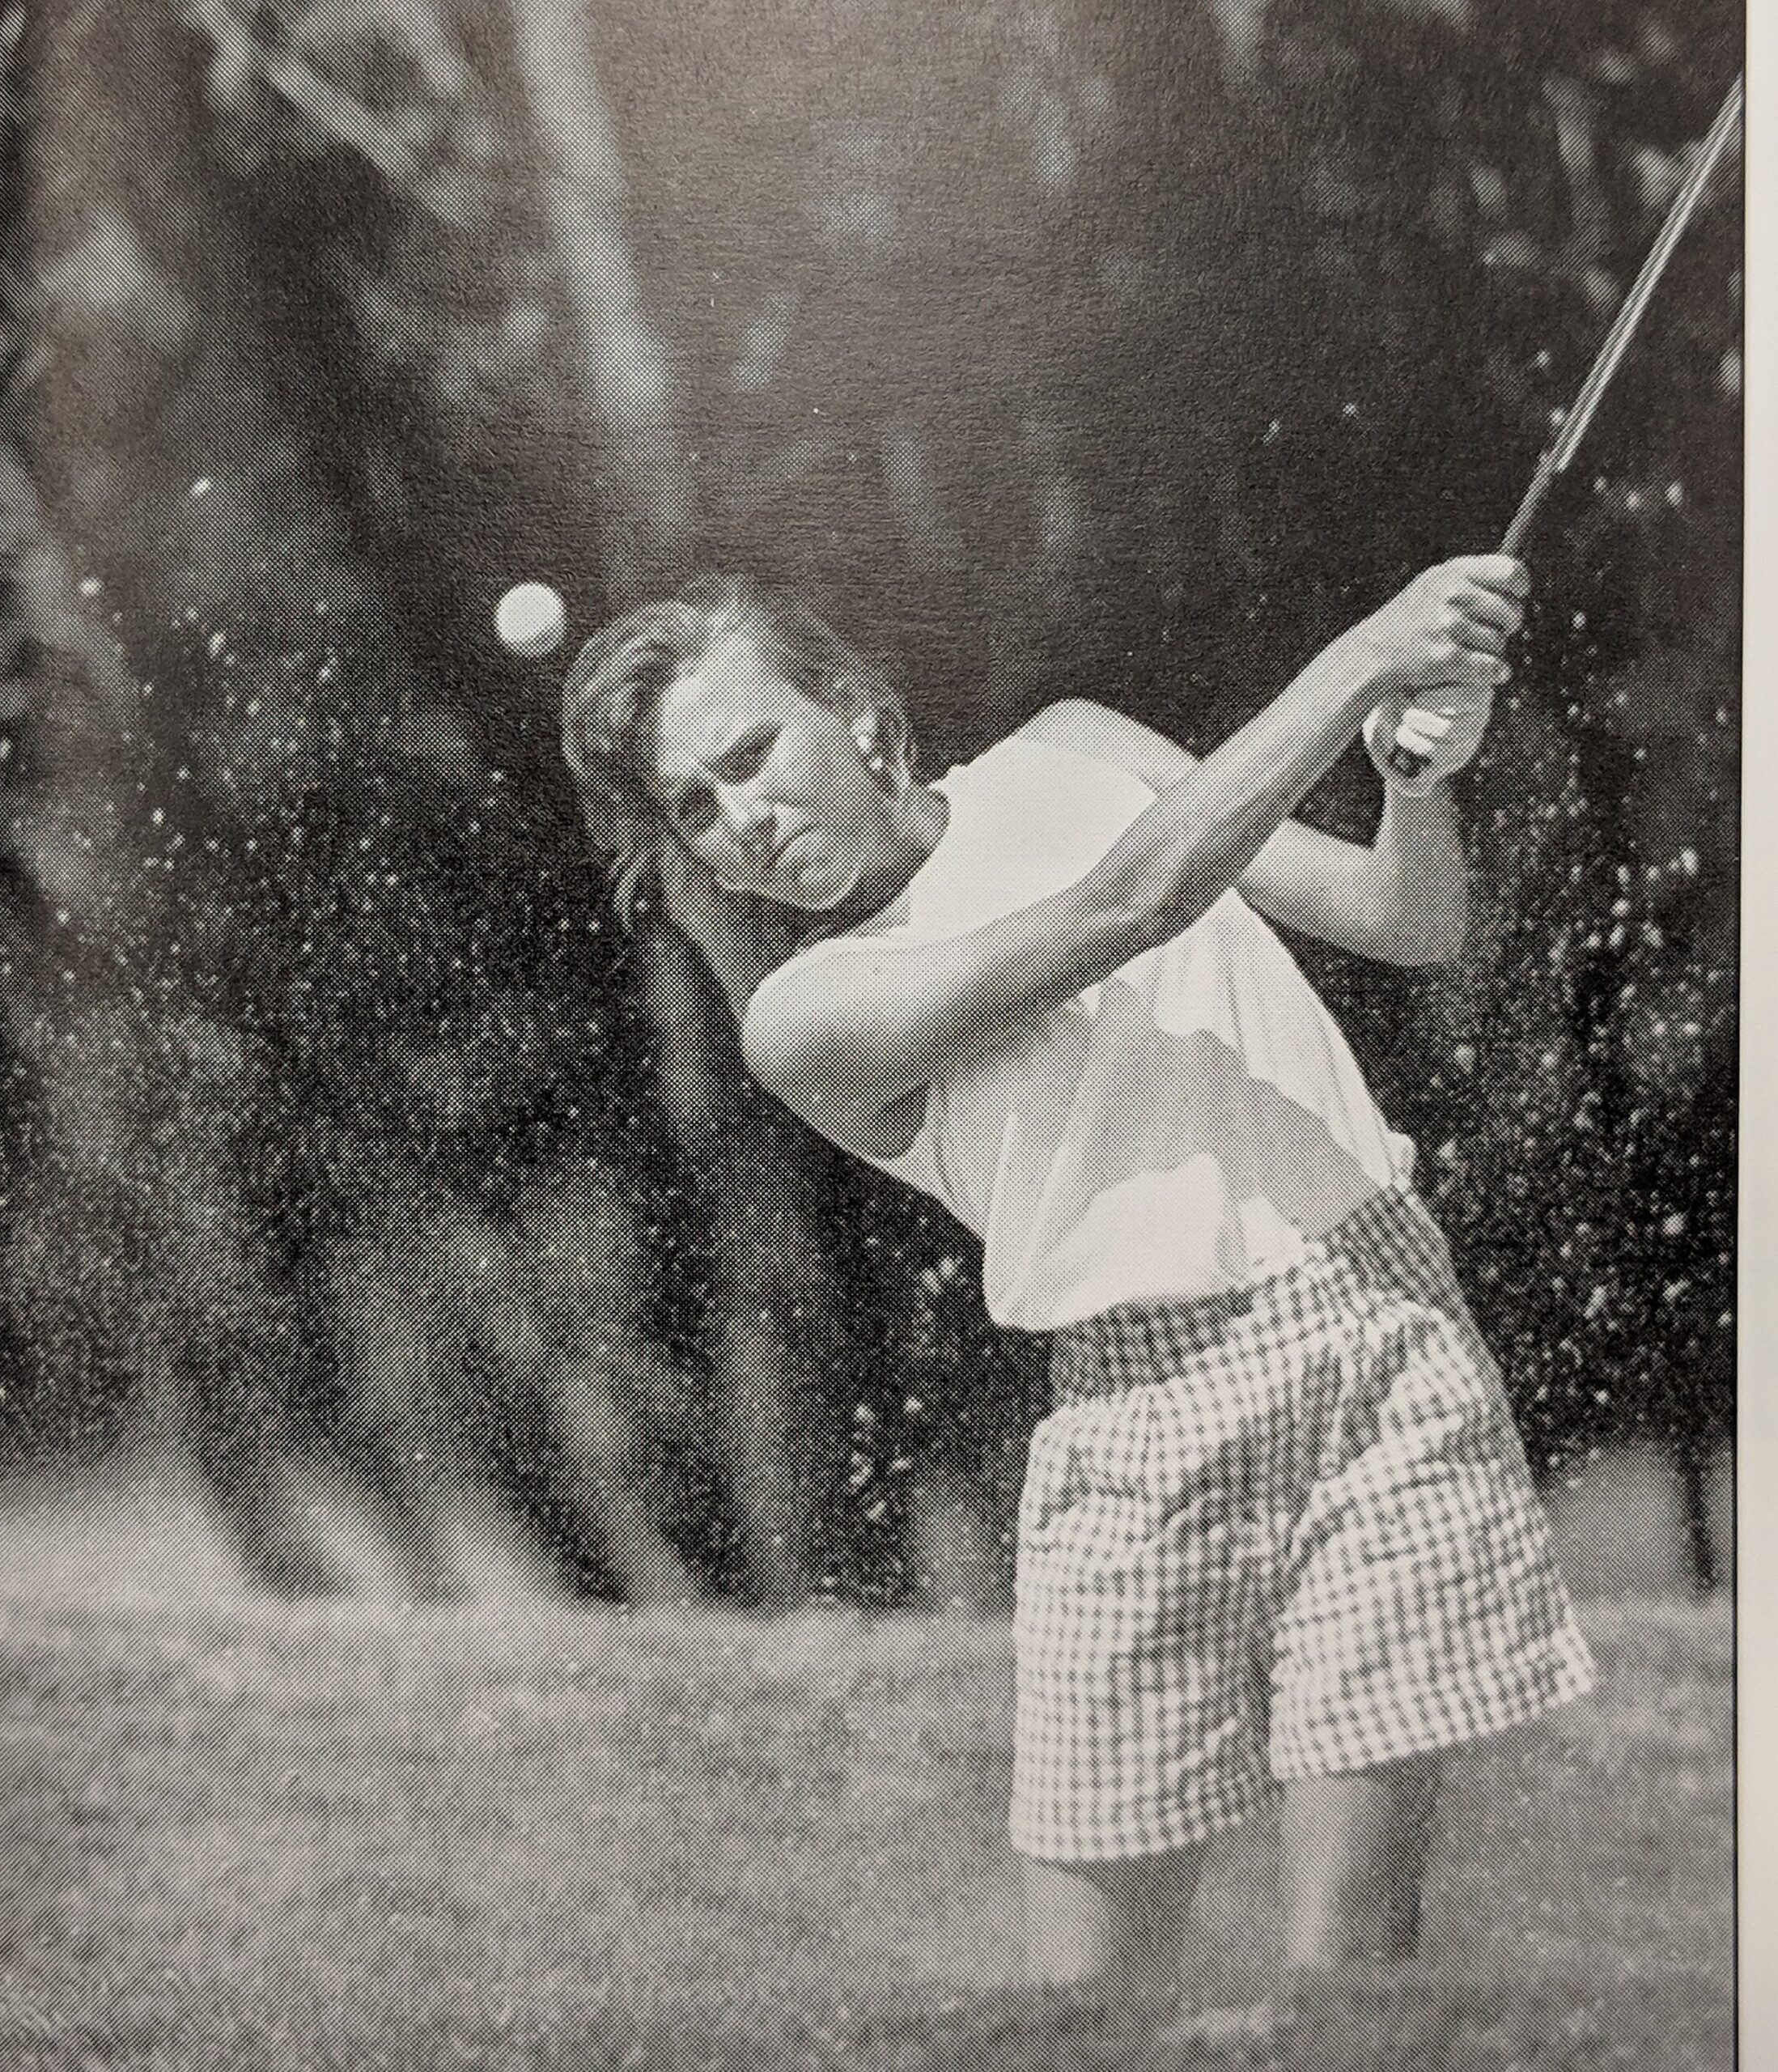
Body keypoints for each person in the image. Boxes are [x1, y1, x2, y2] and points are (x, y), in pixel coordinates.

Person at [562, 564, 1595, 2002]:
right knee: (1088, 2004)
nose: (741, 816)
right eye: (697, 806)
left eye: (751, 757)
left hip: (1381, 1343)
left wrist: (1414, 779)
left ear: (855, 716)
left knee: (1352, 1974)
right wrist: (1365, 652)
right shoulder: (810, 1017)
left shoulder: (1080, 753)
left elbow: (1401, 920)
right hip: (1135, 1429)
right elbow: (1133, 902)